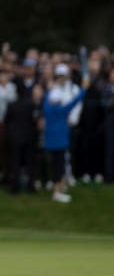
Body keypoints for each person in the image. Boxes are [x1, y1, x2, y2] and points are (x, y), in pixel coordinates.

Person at [43, 64, 87, 203]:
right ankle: (57, 192)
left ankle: (60, 187)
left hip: (50, 140)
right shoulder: (62, 110)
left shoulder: (47, 107)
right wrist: (84, 88)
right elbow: (74, 101)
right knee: (59, 166)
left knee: (57, 165)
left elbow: (48, 98)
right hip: (60, 140)